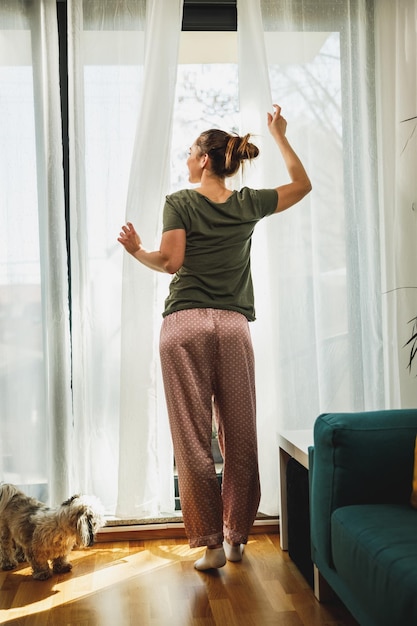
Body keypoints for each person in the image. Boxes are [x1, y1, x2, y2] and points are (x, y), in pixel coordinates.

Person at [118, 104, 311, 570]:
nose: (187, 159)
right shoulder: (246, 202)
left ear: (205, 158)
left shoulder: (179, 201)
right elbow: (302, 186)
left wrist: (136, 249)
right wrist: (280, 136)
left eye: (190, 152)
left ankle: (209, 545)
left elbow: (170, 263)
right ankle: (237, 537)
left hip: (183, 326)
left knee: (193, 437)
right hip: (231, 325)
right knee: (239, 433)